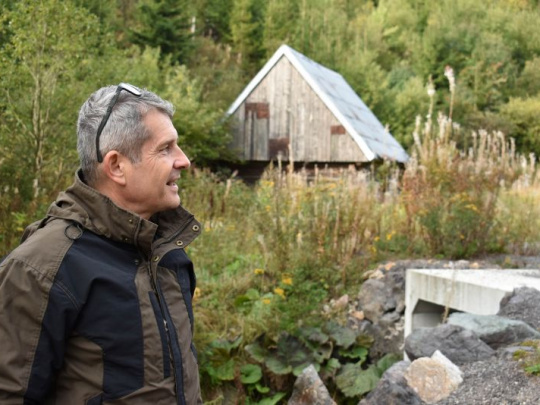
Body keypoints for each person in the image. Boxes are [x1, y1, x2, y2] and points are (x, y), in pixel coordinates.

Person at [0, 83, 202, 404]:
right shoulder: (42, 267)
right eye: (165, 149)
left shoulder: (165, 249)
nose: (184, 161)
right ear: (117, 166)